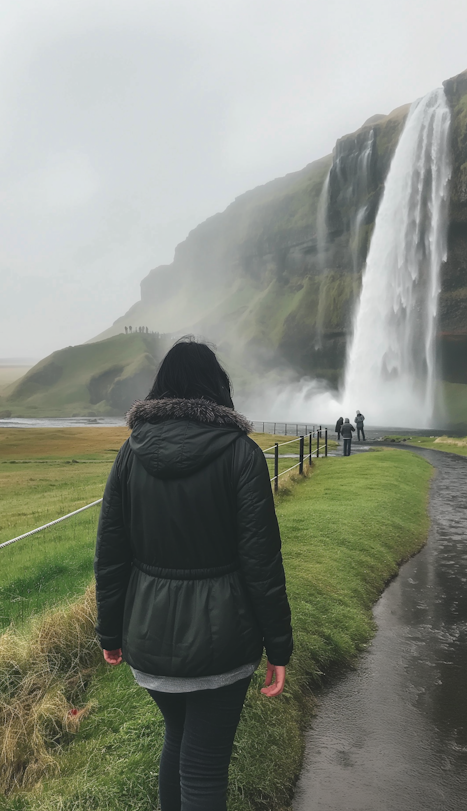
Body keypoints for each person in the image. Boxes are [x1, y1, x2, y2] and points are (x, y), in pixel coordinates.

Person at [94, 338, 293, 811]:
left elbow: (111, 554)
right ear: (216, 388)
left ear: (161, 389)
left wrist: (110, 632)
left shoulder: (130, 453)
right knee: (203, 768)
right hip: (222, 642)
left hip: (150, 639)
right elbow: (261, 562)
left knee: (179, 741)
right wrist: (278, 647)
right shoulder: (242, 455)